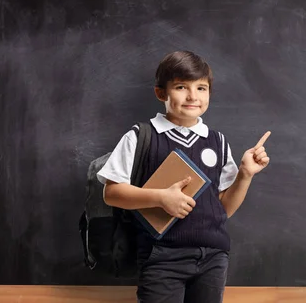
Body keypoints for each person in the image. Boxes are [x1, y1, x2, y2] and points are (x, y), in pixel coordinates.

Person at [96, 50, 271, 303]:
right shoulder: (141, 136)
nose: (193, 96)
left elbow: (223, 210)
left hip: (213, 256)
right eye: (181, 87)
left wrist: (245, 175)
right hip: (162, 256)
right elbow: (111, 193)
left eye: (201, 88)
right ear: (161, 93)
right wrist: (160, 198)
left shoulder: (218, 141)